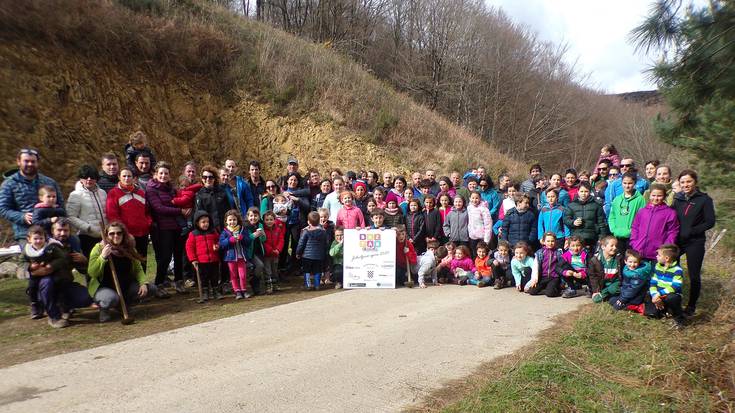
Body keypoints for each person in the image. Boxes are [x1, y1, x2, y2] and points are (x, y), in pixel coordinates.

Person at [87, 222, 159, 322]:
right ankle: (104, 309)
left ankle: (124, 305)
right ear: (107, 235)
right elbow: (92, 273)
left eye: (119, 233)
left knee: (151, 289)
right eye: (111, 233)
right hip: (104, 287)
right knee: (111, 298)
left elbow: (138, 269)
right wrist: (102, 257)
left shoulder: (129, 248)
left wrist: (143, 283)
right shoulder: (99, 249)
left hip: (125, 286)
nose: (115, 236)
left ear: (123, 234)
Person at [672, 169, 715, 316]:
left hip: (695, 242)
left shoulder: (704, 199)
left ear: (695, 182)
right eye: (682, 182)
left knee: (694, 275)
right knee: (672, 271)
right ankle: (673, 300)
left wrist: (692, 231)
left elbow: (710, 222)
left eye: (688, 181)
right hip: (678, 241)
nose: (685, 184)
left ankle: (691, 306)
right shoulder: (678, 199)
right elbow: (670, 216)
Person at [0, 148, 64, 242]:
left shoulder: (49, 182)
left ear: (37, 163)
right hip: (26, 232)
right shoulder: (9, 184)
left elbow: (61, 205)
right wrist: (21, 217)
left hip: (51, 230)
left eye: (33, 161)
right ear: (19, 162)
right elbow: (3, 208)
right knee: (33, 255)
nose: (30, 164)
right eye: (26, 161)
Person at [146, 161, 188, 296]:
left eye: (166, 173)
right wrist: (179, 211)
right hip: (163, 228)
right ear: (156, 174)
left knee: (178, 254)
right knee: (165, 257)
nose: (164, 176)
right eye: (161, 173)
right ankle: (159, 283)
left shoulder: (171, 189)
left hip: (177, 226)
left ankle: (179, 281)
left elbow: (180, 200)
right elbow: (159, 208)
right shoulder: (151, 189)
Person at [22, 225, 68, 326]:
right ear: (29, 239)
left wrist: (51, 265)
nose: (38, 241)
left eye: (41, 238)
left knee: (51, 286)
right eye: (35, 239)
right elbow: (23, 262)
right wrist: (30, 267)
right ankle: (36, 305)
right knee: (32, 288)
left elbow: (63, 258)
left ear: (45, 238)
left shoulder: (52, 247)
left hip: (53, 274)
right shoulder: (27, 250)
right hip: (35, 275)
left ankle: (59, 313)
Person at [105, 167, 152, 263]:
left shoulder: (141, 192)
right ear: (119, 177)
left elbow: (147, 211)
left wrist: (148, 223)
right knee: (130, 262)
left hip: (143, 233)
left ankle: (142, 279)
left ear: (134, 178)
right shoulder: (113, 193)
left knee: (142, 260)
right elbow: (112, 215)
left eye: (129, 176)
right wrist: (124, 232)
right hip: (126, 235)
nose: (126, 178)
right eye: (124, 176)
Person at [630, 183, 679, 262]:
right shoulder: (642, 211)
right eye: (653, 195)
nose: (656, 198)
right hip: (639, 252)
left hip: (658, 255)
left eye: (659, 196)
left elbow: (672, 232)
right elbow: (635, 228)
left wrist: (665, 249)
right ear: (649, 195)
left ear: (664, 196)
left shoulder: (670, 213)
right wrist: (634, 243)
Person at [67, 165, 108, 258]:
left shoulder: (103, 193)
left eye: (92, 177)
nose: (89, 179)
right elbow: (70, 217)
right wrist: (87, 227)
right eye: (85, 177)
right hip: (87, 237)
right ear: (81, 179)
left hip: (104, 236)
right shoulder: (76, 195)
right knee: (92, 266)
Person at [644, 244, 686, 329]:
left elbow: (675, 287)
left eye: (659, 255)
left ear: (666, 258)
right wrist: (654, 294)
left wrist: (659, 294)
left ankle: (679, 318)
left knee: (671, 298)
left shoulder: (677, 270)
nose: (656, 256)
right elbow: (653, 282)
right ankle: (657, 312)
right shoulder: (657, 266)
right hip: (659, 293)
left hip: (672, 293)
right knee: (648, 294)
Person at [185, 210, 220, 302]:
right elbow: (189, 247)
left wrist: (217, 246)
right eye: (203, 222)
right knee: (203, 278)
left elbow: (218, 241)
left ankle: (215, 291)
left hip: (213, 259)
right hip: (201, 261)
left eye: (207, 222)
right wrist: (193, 259)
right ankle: (205, 292)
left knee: (214, 277)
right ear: (197, 223)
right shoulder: (193, 234)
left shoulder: (213, 232)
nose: (206, 224)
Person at [608, 172, 646, 253]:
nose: (627, 185)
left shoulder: (640, 199)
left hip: (632, 236)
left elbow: (643, 218)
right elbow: (612, 216)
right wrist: (614, 229)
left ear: (635, 183)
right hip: (618, 235)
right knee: (619, 260)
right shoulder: (617, 199)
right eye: (624, 183)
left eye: (630, 183)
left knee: (631, 260)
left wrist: (633, 231)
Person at [563, 182, 608, 249]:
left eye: (586, 191)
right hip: (576, 237)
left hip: (591, 238)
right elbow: (566, 219)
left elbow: (601, 223)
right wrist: (573, 222)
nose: (583, 193)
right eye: (581, 191)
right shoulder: (571, 205)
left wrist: (601, 238)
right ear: (578, 192)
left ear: (590, 192)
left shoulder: (596, 205)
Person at [219, 209, 250, 299]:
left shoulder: (242, 230)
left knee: (242, 275)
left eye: (234, 220)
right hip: (231, 257)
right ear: (226, 221)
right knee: (233, 275)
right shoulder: (225, 232)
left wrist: (242, 238)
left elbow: (248, 242)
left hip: (241, 256)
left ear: (237, 220)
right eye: (230, 220)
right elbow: (221, 244)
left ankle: (244, 290)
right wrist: (230, 240)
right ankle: (237, 291)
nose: (232, 222)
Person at [527, 232, 569, 297]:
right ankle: (547, 287)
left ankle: (556, 288)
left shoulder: (558, 252)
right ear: (544, 242)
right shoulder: (540, 252)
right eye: (548, 241)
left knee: (550, 294)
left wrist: (563, 281)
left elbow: (563, 266)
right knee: (532, 291)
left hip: (554, 277)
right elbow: (535, 267)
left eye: (552, 241)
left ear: (555, 241)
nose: (550, 243)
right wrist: (534, 279)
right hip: (543, 277)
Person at [295, 211, 328, 290]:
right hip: (319, 256)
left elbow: (301, 244)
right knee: (317, 271)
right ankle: (317, 285)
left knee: (307, 271)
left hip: (307, 256)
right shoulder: (323, 232)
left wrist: (298, 253)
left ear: (308, 222)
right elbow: (326, 244)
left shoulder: (306, 232)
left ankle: (308, 285)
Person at [588, 236, 623, 304]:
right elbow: (593, 276)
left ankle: (616, 294)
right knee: (596, 299)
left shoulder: (619, 258)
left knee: (613, 289)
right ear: (603, 247)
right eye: (612, 245)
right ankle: (610, 296)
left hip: (615, 283)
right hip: (603, 284)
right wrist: (596, 291)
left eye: (616, 246)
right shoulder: (595, 260)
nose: (614, 248)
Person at [194, 166, 230, 231]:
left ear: (214, 179)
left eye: (210, 177)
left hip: (225, 229)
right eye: (205, 177)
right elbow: (199, 216)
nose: (208, 179)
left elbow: (228, 211)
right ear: (202, 179)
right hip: (209, 230)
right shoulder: (199, 195)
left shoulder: (222, 192)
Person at [243, 207, 267, 295]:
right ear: (247, 217)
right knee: (260, 265)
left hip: (259, 251)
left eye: (256, 216)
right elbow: (245, 241)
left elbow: (263, 240)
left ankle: (256, 287)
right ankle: (253, 282)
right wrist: (253, 235)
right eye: (251, 216)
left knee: (259, 268)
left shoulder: (260, 225)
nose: (253, 218)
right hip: (250, 253)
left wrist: (262, 234)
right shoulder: (245, 227)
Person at [262, 211, 285, 293]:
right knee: (267, 270)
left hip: (276, 254)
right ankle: (268, 285)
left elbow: (281, 240)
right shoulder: (263, 230)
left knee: (274, 270)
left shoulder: (278, 229)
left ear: (274, 220)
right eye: (267, 220)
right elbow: (264, 242)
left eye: (271, 219)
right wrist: (271, 250)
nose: (269, 221)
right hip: (267, 255)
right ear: (264, 220)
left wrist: (278, 249)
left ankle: (275, 284)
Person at [466, 192, 492, 256]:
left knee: (482, 254)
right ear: (470, 198)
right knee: (474, 253)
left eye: (476, 198)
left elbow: (488, 224)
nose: (474, 200)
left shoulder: (484, 209)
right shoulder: (469, 208)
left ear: (480, 199)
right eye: (473, 198)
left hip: (482, 237)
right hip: (472, 236)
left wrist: (486, 239)